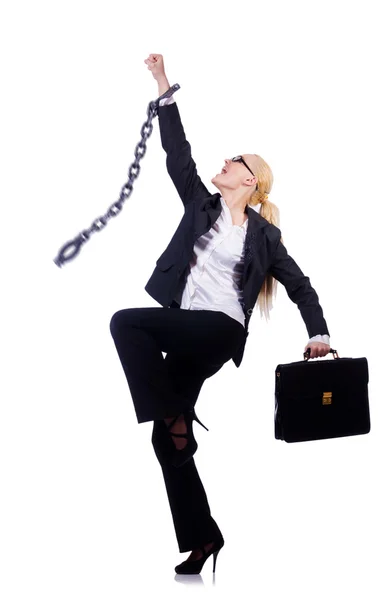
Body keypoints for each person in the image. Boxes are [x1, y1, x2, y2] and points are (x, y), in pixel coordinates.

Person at [109, 54, 331, 575]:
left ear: (251, 183)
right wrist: (164, 86)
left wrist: (319, 332)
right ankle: (205, 537)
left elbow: (301, 286)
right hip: (186, 328)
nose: (226, 162)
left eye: (237, 161)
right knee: (167, 441)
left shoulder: (264, 236)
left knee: (126, 321)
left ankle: (176, 416)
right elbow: (177, 155)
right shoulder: (201, 205)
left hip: (218, 330)